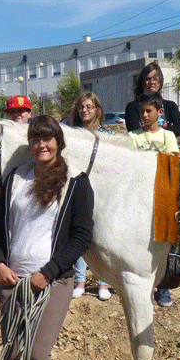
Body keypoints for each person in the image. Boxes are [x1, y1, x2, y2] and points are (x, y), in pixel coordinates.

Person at [0, 115, 93, 360]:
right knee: (15, 353)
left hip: (52, 281)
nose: (42, 145)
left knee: (37, 354)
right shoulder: (15, 179)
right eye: (36, 139)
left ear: (58, 143)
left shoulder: (76, 181)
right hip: (13, 280)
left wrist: (48, 272)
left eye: (48, 139)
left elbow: (81, 237)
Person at [128, 91, 179, 306]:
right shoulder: (133, 137)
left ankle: (164, 287)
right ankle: (142, 285)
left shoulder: (168, 137)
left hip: (163, 196)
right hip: (138, 197)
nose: (144, 115)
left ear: (160, 113)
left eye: (148, 111)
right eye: (141, 111)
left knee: (164, 241)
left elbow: (173, 161)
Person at [66, 92, 111, 300]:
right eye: (82, 107)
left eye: (89, 107)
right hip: (80, 189)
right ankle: (80, 280)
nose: (85, 110)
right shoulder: (72, 135)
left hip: (103, 190)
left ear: (98, 110)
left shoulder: (107, 135)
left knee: (104, 235)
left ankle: (104, 283)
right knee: (80, 232)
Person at [124, 62, 180, 136]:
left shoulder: (170, 106)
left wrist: (150, 131)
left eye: (155, 79)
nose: (152, 82)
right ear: (142, 82)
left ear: (160, 82)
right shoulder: (133, 107)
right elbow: (134, 132)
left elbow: (178, 129)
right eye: (148, 79)